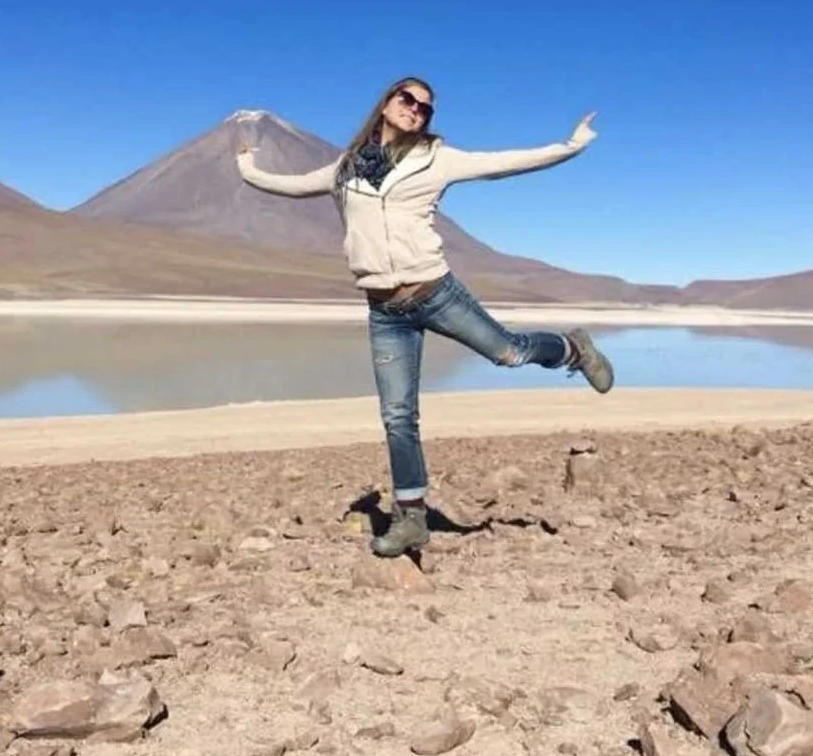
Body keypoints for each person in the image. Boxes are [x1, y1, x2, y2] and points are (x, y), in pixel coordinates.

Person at [236, 77, 614, 559]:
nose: (415, 110)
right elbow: (291, 185)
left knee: (510, 353)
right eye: (407, 100)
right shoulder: (345, 169)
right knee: (398, 416)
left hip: (435, 292)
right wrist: (248, 167)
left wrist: (571, 146)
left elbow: (503, 164)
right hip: (384, 309)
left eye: (424, 108)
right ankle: (411, 518)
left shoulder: (437, 158)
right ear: (387, 103)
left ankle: (574, 348)